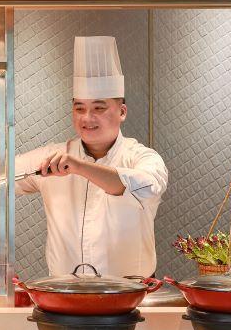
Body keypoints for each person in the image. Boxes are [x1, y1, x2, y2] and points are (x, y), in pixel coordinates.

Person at [11, 36, 168, 278]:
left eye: (99, 108)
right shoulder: (52, 157)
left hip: (132, 294)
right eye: (79, 108)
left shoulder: (142, 157)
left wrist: (79, 167)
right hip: (63, 293)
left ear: (122, 111)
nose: (87, 118)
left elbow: (146, 187)